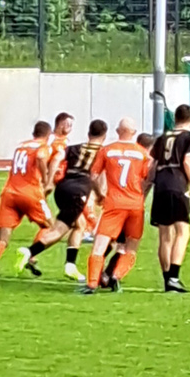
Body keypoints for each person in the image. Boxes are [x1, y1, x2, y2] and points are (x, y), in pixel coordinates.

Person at [0, 121, 69, 278]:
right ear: (48, 135)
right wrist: (46, 178)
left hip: (10, 193)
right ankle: (31, 255)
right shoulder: (43, 146)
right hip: (30, 192)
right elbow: (41, 156)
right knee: (50, 227)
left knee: (3, 237)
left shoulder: (21, 146)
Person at [80, 120, 152, 294]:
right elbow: (146, 178)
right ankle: (116, 275)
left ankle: (92, 283)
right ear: (134, 132)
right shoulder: (143, 153)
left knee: (100, 244)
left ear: (118, 130)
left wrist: (99, 194)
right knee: (131, 246)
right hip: (135, 204)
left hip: (113, 203)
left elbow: (93, 176)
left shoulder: (106, 150)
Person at [150, 104, 190, 293]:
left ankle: (167, 279)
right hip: (176, 184)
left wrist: (147, 187)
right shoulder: (189, 137)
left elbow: (153, 165)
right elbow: (187, 161)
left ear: (175, 119)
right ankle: (174, 277)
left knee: (164, 235)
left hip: (161, 185)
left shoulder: (162, 137)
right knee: (182, 231)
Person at [54, 119, 105, 281]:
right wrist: (100, 193)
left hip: (62, 188)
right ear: (104, 135)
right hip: (79, 190)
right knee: (57, 228)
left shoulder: (72, 147)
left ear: (88, 133)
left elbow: (56, 159)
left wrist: (50, 179)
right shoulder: (103, 152)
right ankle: (30, 252)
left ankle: (70, 265)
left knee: (79, 225)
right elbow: (96, 176)